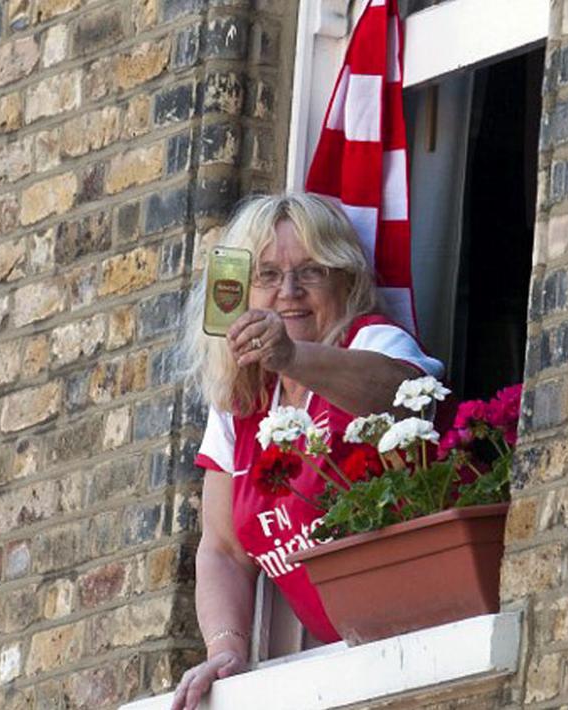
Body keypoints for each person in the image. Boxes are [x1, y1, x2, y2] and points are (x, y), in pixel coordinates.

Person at [171, 194, 445, 710]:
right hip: (346, 664)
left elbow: (403, 398)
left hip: (426, 641)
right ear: (238, 294)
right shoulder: (242, 398)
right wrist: (227, 648)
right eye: (268, 275)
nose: (289, 293)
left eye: (311, 272)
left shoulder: (376, 341)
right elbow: (224, 549)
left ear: (346, 281)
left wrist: (293, 358)